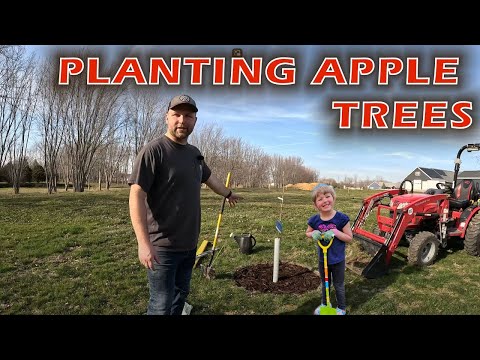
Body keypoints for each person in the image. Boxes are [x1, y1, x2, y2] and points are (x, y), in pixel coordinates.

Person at [128, 94, 241, 315]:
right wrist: (143, 243)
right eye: (176, 115)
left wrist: (228, 193)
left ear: (195, 121)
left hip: (189, 245)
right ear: (166, 118)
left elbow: (209, 178)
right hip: (161, 247)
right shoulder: (154, 151)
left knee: (180, 297)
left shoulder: (194, 153)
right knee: (160, 305)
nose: (182, 120)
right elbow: (136, 196)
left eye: (188, 115)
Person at [305, 184, 352, 315]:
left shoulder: (342, 219)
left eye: (327, 196)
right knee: (325, 283)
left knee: (338, 285)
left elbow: (349, 238)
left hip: (337, 259)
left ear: (333, 198)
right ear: (315, 205)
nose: (325, 200)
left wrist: (335, 232)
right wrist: (313, 233)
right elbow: (307, 233)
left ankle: (341, 308)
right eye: (320, 199)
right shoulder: (314, 220)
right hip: (323, 259)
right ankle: (325, 304)